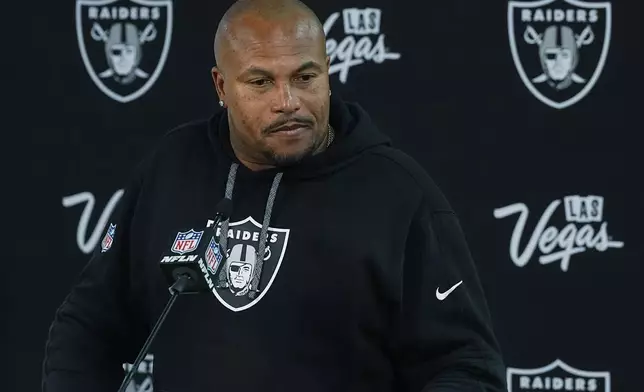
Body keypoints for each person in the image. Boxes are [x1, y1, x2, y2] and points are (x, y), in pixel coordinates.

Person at [42, 0, 506, 391]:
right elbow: (87, 325)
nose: (287, 101)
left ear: (328, 73)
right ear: (222, 87)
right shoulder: (172, 167)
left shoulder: (399, 194)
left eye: (305, 78)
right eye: (260, 82)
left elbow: (466, 368)